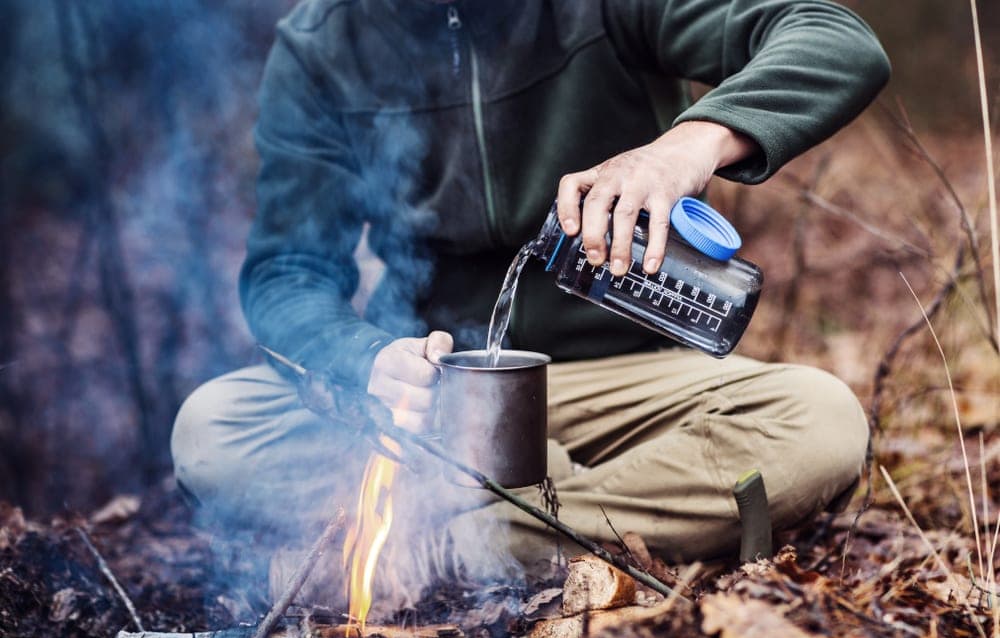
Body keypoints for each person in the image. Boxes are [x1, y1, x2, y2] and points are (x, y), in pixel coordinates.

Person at [171, 0, 889, 591]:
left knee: (820, 423)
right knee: (212, 430)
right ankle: (564, 510)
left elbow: (834, 39)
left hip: (632, 383)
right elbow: (288, 269)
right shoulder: (321, 46)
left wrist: (688, 145)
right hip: (439, 402)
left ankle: (456, 545)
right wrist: (364, 359)